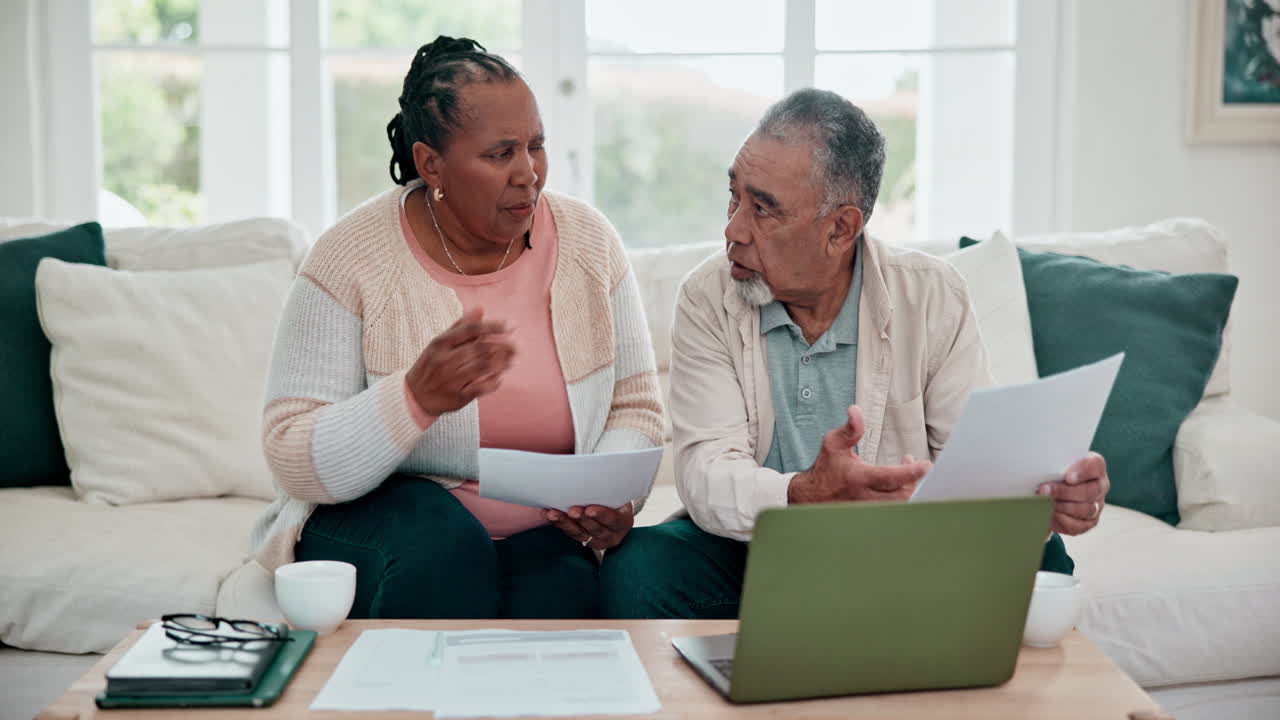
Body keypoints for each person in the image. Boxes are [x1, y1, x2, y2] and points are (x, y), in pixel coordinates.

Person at [600, 88, 1110, 619]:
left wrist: (1055, 491)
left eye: (763, 209)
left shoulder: (932, 293)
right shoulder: (709, 296)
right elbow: (706, 474)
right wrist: (804, 493)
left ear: (841, 229)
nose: (733, 229)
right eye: (734, 196)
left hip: (901, 549)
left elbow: (978, 461)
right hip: (756, 549)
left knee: (1044, 555)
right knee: (638, 569)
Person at [249, 36, 663, 620]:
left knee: (567, 602)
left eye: (536, 146)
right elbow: (290, 452)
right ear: (431, 163)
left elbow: (636, 406)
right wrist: (414, 398)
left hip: (539, 532)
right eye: (500, 154)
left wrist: (607, 497)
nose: (529, 174)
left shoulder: (589, 243)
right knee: (447, 550)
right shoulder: (349, 259)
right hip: (388, 521)